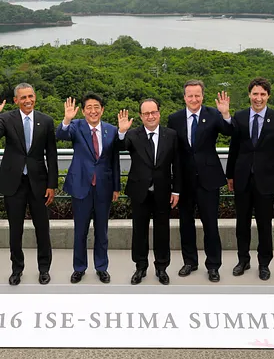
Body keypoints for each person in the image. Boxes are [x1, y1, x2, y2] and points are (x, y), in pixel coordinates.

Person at [226, 77, 274, 280]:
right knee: (242, 224)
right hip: (242, 178)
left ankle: (264, 264)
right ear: (249, 95)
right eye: (255, 94)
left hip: (266, 180)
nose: (258, 98)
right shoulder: (240, 116)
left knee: (264, 225)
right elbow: (234, 148)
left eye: (262, 94)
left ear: (268, 96)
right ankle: (243, 260)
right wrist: (230, 175)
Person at [167, 80, 233, 282]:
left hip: (209, 180)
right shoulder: (175, 118)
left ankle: (213, 265)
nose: (194, 99)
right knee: (185, 224)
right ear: (184, 97)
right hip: (185, 181)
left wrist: (226, 115)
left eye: (197, 95)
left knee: (210, 225)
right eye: (190, 95)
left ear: (202, 96)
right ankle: (190, 262)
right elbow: (173, 153)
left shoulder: (213, 114)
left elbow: (230, 132)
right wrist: (175, 187)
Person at [56, 94, 120, 284]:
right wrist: (67, 119)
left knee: (102, 231)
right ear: (83, 111)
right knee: (80, 231)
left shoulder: (111, 130)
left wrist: (116, 187)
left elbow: (114, 161)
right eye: (89, 107)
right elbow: (61, 135)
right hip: (81, 186)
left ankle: (101, 267)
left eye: (96, 107)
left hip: (104, 188)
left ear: (102, 109)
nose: (93, 111)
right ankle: (79, 268)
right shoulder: (76, 126)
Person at [117, 99, 181, 285]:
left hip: (163, 191)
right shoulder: (133, 135)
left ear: (159, 113)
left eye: (153, 112)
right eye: (146, 113)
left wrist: (176, 191)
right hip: (139, 191)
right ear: (140, 116)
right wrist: (121, 132)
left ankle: (162, 268)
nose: (150, 116)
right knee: (139, 231)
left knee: (162, 231)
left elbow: (177, 165)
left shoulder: (171, 135)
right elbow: (120, 147)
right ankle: (140, 267)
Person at [0, 83, 58, 285]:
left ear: (35, 97)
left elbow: (52, 155)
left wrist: (52, 184)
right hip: (13, 183)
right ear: (16, 100)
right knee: (15, 230)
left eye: (30, 96)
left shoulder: (46, 120)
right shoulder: (5, 119)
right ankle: (17, 269)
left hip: (39, 184)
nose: (28, 100)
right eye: (23, 97)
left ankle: (44, 269)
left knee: (42, 229)